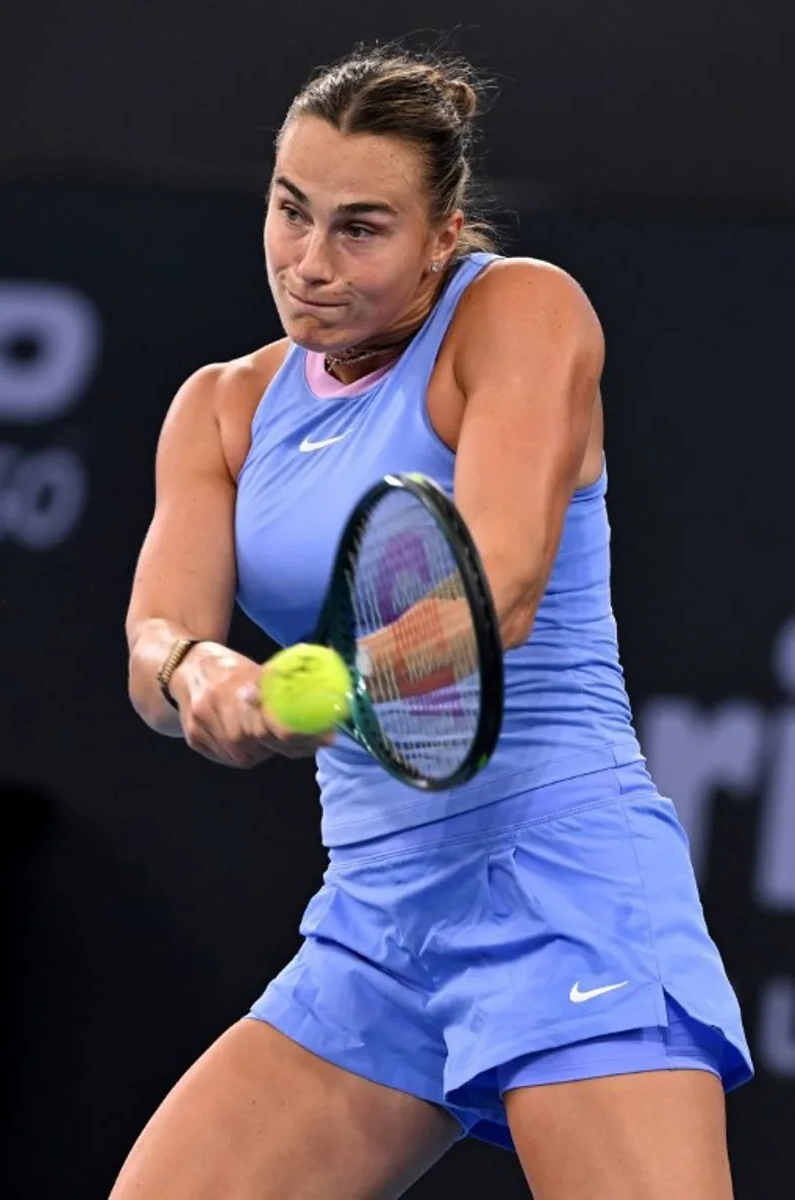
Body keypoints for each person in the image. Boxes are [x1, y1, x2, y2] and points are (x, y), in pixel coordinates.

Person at [115, 43, 752, 1200]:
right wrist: (197, 674)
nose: (308, 262)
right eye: (289, 210)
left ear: (441, 234)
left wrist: (327, 690)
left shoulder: (519, 311)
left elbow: (495, 589)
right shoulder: (219, 408)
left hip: (557, 881)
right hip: (376, 922)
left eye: (360, 228)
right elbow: (154, 638)